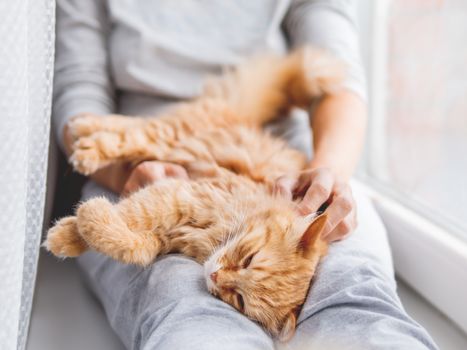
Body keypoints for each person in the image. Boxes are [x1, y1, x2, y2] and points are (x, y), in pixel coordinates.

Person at [53, 1, 439, 349]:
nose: (220, 278)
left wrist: (329, 176)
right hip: (136, 158)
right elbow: (79, 93)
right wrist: (127, 172)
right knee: (183, 304)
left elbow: (336, 73)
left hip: (288, 168)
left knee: (355, 294)